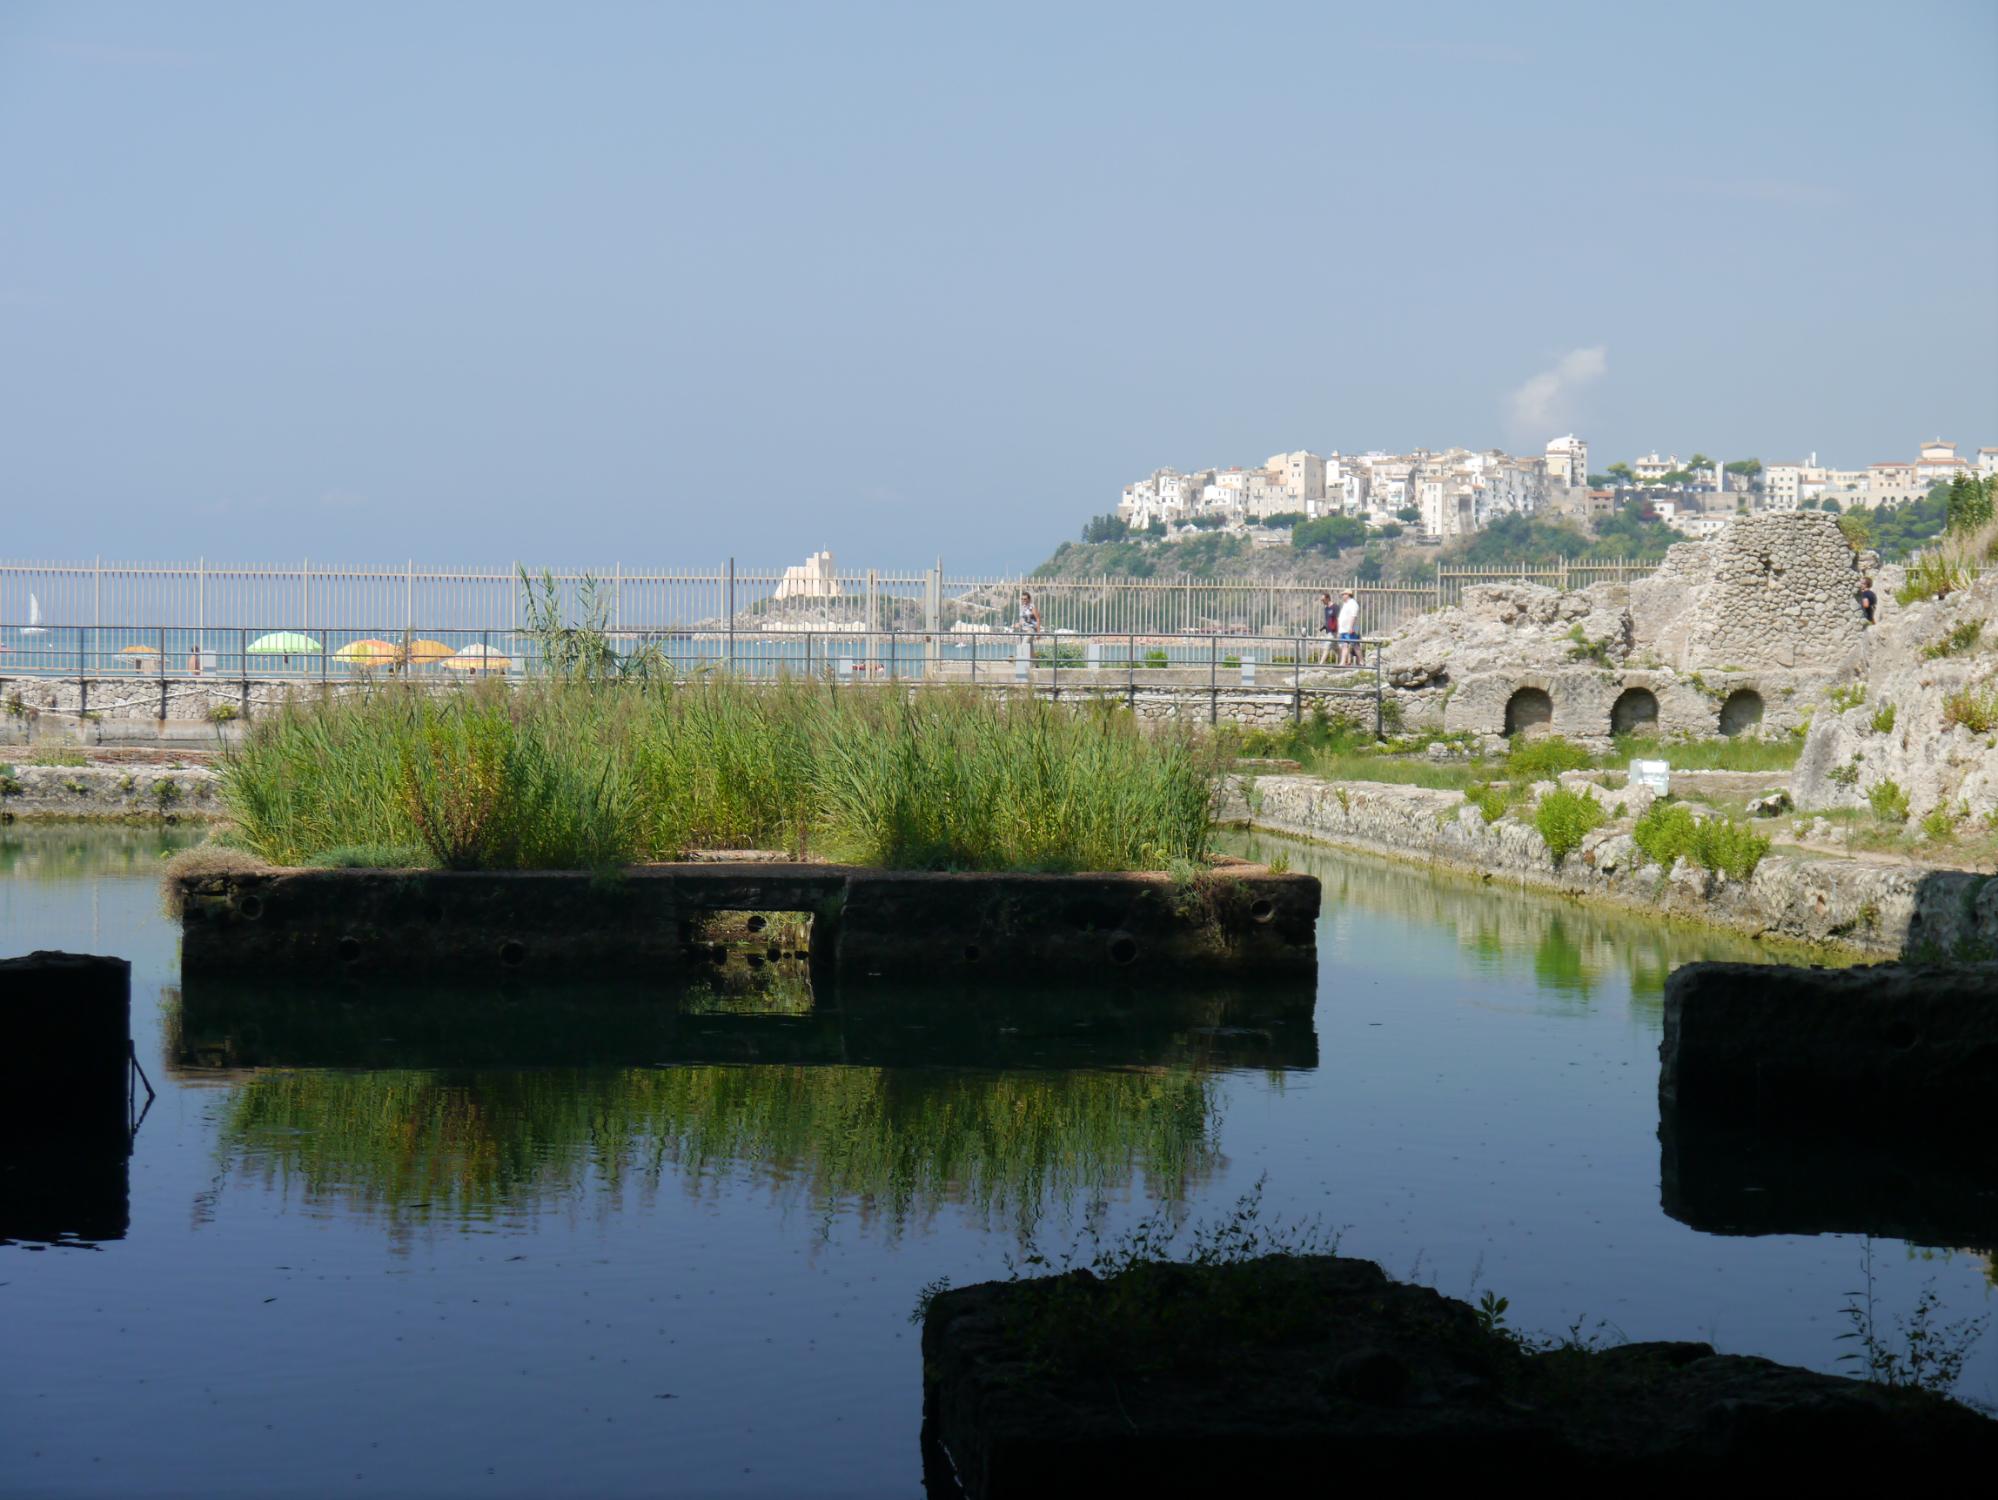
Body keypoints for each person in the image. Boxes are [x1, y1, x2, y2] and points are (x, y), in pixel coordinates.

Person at [1336, 589, 1360, 666]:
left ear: (1348, 595)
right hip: (1343, 629)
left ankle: (1361, 661)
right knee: (1344, 645)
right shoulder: (1346, 604)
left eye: (1344, 594)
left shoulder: (1353, 604)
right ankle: (1342, 662)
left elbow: (1353, 616)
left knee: (1355, 645)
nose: (1342, 596)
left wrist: (1351, 627)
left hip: (1349, 629)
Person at [1316, 591, 1338, 664]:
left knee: (1327, 647)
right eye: (1321, 600)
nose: (1322, 601)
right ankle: (1346, 661)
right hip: (1329, 631)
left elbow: (1338, 618)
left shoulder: (1335, 607)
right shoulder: (1326, 609)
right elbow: (1327, 620)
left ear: (1328, 598)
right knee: (1337, 649)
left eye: (1323, 600)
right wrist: (1323, 627)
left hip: (1334, 631)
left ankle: (1320, 664)